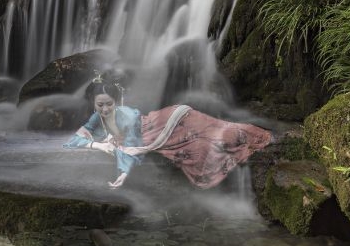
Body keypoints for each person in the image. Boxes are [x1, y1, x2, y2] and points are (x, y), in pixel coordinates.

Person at [63, 75, 273, 189]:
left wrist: (123, 170)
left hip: (167, 122)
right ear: (93, 104)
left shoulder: (123, 113)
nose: (105, 109)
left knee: (219, 131)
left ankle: (258, 137)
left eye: (108, 104)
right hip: (162, 134)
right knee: (205, 145)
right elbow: (73, 140)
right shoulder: (96, 118)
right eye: (100, 105)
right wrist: (97, 143)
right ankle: (247, 141)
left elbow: (134, 145)